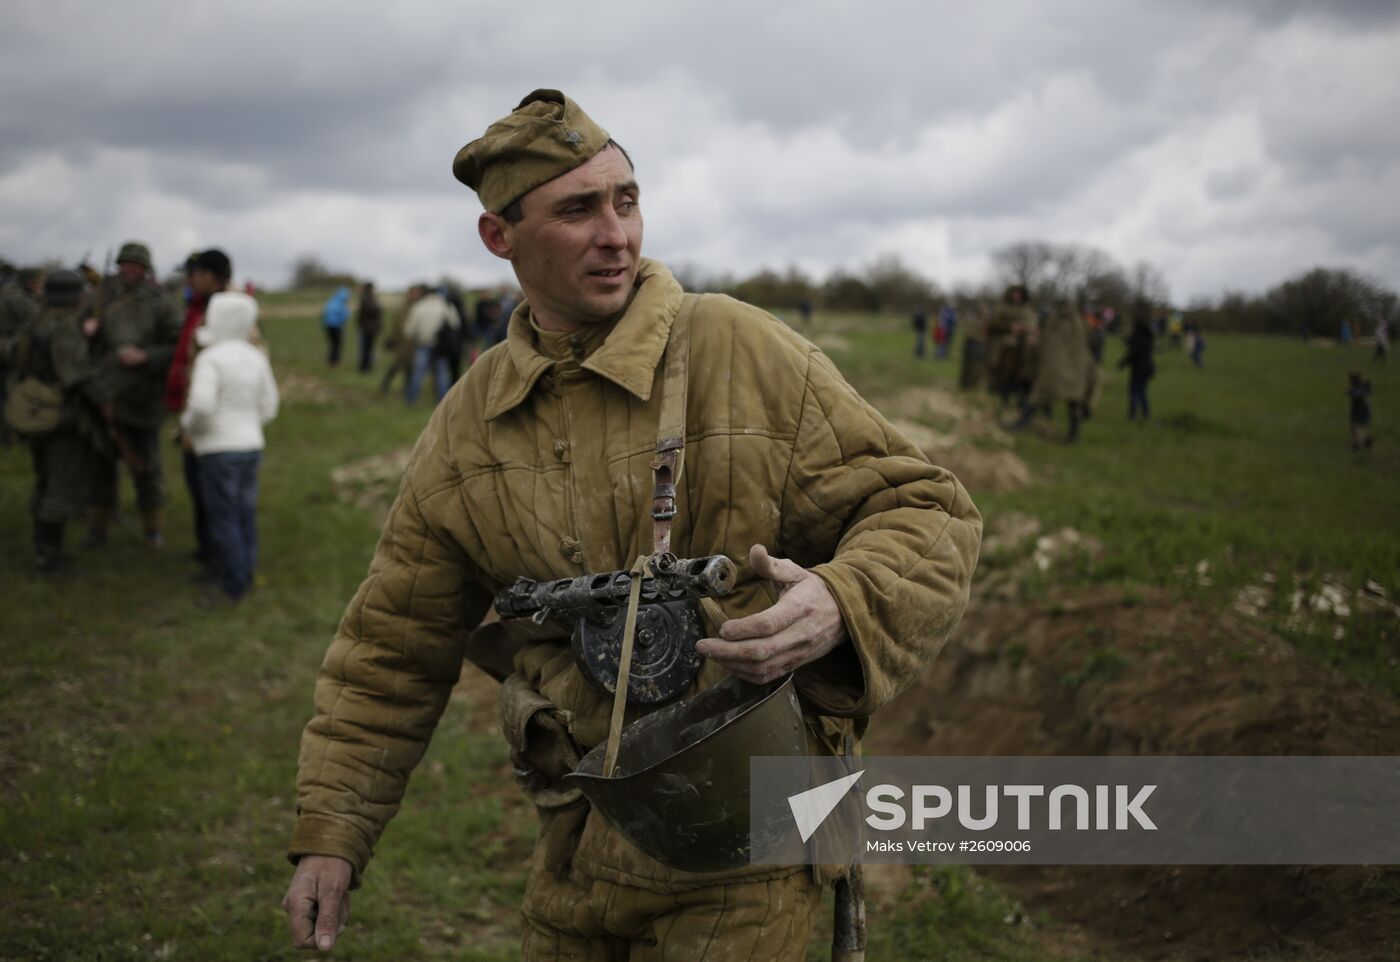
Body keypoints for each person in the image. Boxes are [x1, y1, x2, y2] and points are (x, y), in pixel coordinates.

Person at [282, 89, 981, 960]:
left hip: (757, 836)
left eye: (627, 199)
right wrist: (333, 830)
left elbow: (928, 509)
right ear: (500, 237)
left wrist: (842, 600)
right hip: (578, 843)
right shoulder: (470, 425)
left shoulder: (739, 350)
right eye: (578, 210)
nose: (617, 234)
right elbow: (391, 645)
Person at [9, 271, 112, 575]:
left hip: (33, 410)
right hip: (60, 416)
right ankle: (50, 559)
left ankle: (42, 547)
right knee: (60, 484)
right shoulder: (65, 324)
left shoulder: (35, 320)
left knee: (43, 478)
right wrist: (104, 401)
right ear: (73, 296)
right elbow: (76, 376)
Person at [179, 292, 278, 602]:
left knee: (224, 518)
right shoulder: (256, 356)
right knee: (245, 514)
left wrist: (190, 428)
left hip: (218, 450)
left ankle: (233, 586)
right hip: (251, 446)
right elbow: (269, 406)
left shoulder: (211, 358)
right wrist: (248, 425)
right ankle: (244, 572)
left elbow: (202, 406)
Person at [83, 241, 182, 548]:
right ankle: (98, 530)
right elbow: (74, 342)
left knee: (147, 467)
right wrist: (86, 327)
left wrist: (146, 357)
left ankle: (153, 531)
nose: (129, 269)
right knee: (100, 468)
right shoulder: (98, 298)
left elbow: (176, 346)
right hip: (103, 395)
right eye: (125, 263)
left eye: (135, 264)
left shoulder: (160, 302)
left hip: (142, 397)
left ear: (146, 268)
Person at [167, 248, 233, 578]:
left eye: (194, 274)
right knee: (197, 485)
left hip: (211, 417)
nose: (189, 280)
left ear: (209, 276)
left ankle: (219, 563)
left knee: (213, 494)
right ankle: (206, 548)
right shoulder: (195, 307)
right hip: (192, 411)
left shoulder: (228, 311)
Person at [0, 266, 44, 447]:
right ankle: (13, 435)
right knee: (13, 390)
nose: (39, 285)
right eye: (37, 281)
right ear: (29, 281)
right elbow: (37, 317)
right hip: (10, 348)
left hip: (8, 346)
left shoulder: (10, 292)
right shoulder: (16, 296)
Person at [400, 283, 461, 404]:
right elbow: (456, 325)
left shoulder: (419, 306)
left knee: (418, 373)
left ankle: (411, 399)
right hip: (441, 346)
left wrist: (416, 338)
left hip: (423, 344)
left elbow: (409, 330)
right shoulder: (446, 306)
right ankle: (444, 401)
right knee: (441, 373)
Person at [1119, 309, 1156, 421]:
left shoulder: (1137, 337)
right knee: (1142, 391)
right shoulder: (1148, 337)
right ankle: (1145, 413)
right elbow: (1133, 343)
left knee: (1134, 392)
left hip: (1139, 370)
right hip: (1148, 368)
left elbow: (1132, 353)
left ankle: (1133, 414)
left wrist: (1122, 363)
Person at [355, 282, 382, 373]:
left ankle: (364, 367)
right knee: (368, 348)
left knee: (366, 349)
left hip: (367, 328)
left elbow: (366, 313)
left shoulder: (366, 298)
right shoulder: (372, 299)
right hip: (370, 328)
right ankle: (366, 367)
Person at [321, 286, 350, 367]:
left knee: (332, 344)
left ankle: (330, 360)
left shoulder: (331, 302)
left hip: (328, 326)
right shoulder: (341, 304)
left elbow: (325, 314)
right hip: (337, 326)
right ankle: (335, 361)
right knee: (337, 344)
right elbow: (345, 315)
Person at [1348, 371, 1373, 451]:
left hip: (1359, 411)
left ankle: (1358, 443)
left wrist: (1351, 391)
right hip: (1363, 410)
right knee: (1358, 427)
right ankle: (1365, 439)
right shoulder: (1363, 386)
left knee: (1356, 426)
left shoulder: (1358, 389)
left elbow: (1357, 394)